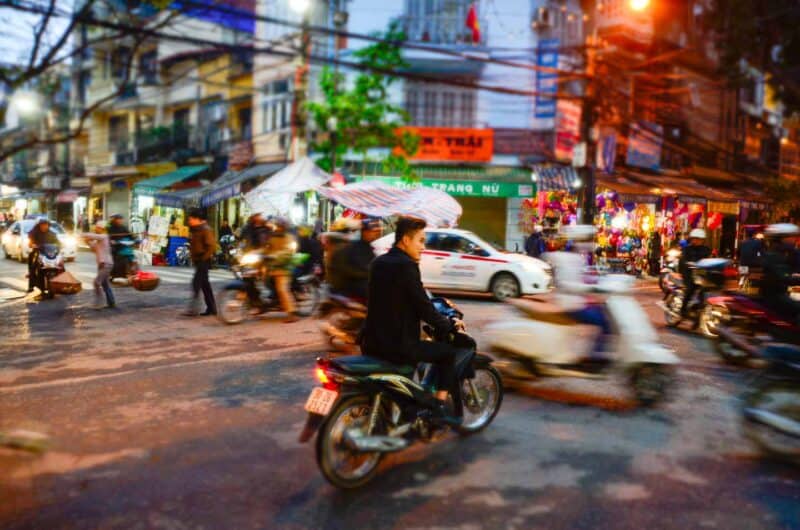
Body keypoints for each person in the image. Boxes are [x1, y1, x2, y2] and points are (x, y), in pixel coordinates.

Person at [360, 216, 463, 425]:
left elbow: (390, 301)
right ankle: (439, 409)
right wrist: (448, 324)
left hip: (370, 343)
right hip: (398, 346)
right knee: (448, 354)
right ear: (406, 240)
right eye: (421, 241)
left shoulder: (378, 263)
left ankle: (406, 412)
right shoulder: (406, 266)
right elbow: (423, 306)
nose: (423, 247)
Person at [547, 225, 611, 363]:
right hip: (570, 304)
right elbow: (567, 284)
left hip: (575, 301)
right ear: (579, 241)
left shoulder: (578, 259)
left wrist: (598, 283)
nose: (590, 243)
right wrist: (589, 289)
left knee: (602, 311)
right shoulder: (569, 259)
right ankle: (595, 356)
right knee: (604, 321)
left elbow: (586, 277)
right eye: (588, 239)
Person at [329, 218, 382, 301]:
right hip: (351, 286)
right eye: (373, 231)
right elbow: (351, 270)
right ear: (365, 232)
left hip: (360, 283)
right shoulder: (354, 247)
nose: (376, 234)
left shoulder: (368, 247)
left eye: (377, 232)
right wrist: (368, 273)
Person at [759, 223, 800, 325]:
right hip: (775, 298)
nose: (794, 240)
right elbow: (784, 277)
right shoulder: (774, 256)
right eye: (792, 237)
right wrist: (793, 278)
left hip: (778, 295)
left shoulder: (779, 254)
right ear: (783, 239)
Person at [264, 217, 298, 322]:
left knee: (282, 289)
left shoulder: (289, 237)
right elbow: (266, 248)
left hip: (283, 267)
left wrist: (275, 256)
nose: (276, 227)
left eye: (278, 225)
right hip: (272, 267)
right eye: (276, 225)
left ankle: (291, 312)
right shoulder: (272, 237)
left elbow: (288, 251)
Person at [184, 209, 217, 316]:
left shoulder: (205, 229)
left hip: (203, 260)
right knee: (204, 285)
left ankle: (194, 309)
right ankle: (212, 308)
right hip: (198, 260)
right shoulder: (195, 229)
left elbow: (212, 246)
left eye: (191, 219)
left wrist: (204, 258)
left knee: (196, 283)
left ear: (197, 219)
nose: (189, 221)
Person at [679, 228, 711, 319]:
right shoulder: (687, 249)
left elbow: (709, 260)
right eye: (695, 238)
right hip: (689, 274)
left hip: (702, 275)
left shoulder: (706, 249)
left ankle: (699, 311)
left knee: (705, 292)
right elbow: (683, 261)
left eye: (699, 239)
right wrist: (688, 264)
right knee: (690, 289)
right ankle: (683, 310)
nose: (697, 241)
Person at [81, 221, 115, 309]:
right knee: (105, 284)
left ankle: (99, 303)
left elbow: (92, 236)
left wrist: (82, 234)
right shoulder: (99, 240)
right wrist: (87, 242)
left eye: (97, 228)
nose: (96, 229)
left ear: (101, 228)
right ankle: (111, 302)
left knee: (96, 283)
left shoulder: (104, 237)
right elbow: (93, 247)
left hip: (106, 264)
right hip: (103, 264)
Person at [27, 218, 60, 293]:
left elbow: (57, 242)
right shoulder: (34, 233)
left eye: (46, 225)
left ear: (48, 225)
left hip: (49, 253)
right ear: (39, 225)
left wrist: (60, 245)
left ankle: (61, 281)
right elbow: (30, 241)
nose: (44, 226)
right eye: (42, 225)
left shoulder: (52, 234)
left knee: (60, 263)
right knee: (33, 266)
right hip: (38, 253)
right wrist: (32, 244)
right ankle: (31, 285)